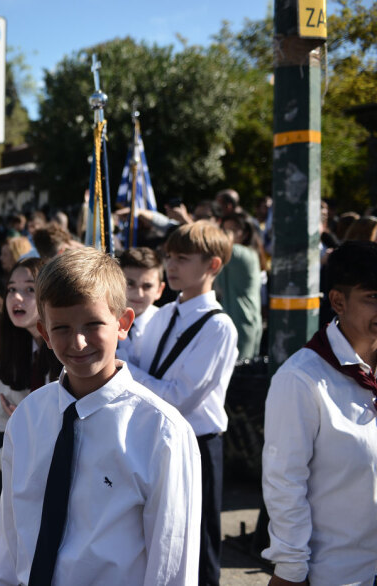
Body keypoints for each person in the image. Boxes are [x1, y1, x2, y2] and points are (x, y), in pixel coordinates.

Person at [0, 248, 201, 585]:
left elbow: (171, 557)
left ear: (122, 323)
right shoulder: (28, 418)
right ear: (44, 333)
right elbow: (11, 535)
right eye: (61, 328)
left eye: (93, 324)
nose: (77, 341)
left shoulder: (161, 430)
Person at [121, 220, 237, 585]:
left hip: (198, 444)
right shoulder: (166, 313)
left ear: (213, 265)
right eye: (169, 256)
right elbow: (142, 366)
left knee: (198, 539)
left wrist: (121, 368)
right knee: (158, 532)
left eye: (182, 258)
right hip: (155, 436)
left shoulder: (219, 326)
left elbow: (177, 398)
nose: (170, 265)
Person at [262, 241, 377, 586]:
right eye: (373, 297)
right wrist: (291, 569)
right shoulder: (302, 379)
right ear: (338, 301)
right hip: (339, 573)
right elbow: (285, 483)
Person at [0, 258, 61, 522]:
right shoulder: (16, 348)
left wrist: (29, 417)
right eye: (11, 289)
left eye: (30, 289)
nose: (16, 297)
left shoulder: (65, 352)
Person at [216, 212, 264, 360]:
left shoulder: (244, 254)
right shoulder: (230, 254)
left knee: (240, 376)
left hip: (243, 324)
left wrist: (184, 219)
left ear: (244, 234)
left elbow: (213, 244)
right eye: (224, 229)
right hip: (235, 322)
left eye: (232, 230)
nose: (226, 234)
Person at [117, 247, 166, 354]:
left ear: (159, 290)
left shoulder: (166, 326)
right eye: (130, 284)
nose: (139, 294)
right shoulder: (102, 318)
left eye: (147, 286)